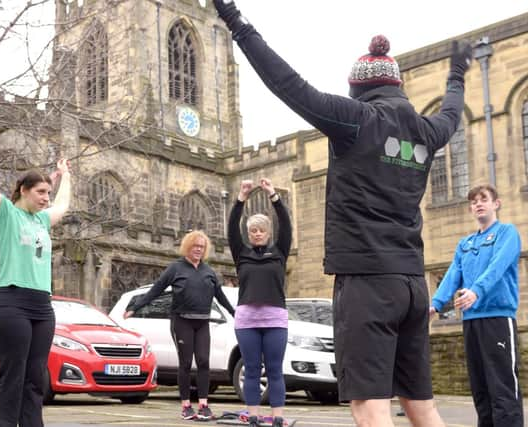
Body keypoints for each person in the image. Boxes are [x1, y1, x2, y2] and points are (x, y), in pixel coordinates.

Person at [213, 2, 473, 426]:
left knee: (370, 407)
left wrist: (237, 23)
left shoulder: (356, 120)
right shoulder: (425, 132)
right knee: (420, 404)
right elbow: (450, 113)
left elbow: (289, 85)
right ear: (398, 86)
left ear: (358, 89)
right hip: (411, 284)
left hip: (367, 285)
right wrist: (457, 73)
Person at [0, 100, 71, 427]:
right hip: (11, 303)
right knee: (12, 378)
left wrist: (65, 176)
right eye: (41, 192)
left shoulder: (42, 221)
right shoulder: (6, 213)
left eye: (48, 193)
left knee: (35, 380)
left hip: (41, 306)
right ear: (23, 190)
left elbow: (63, 205)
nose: (47, 198)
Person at [430, 185, 523, 427]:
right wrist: (435, 305)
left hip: (498, 320)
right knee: (481, 390)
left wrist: (476, 291)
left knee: (503, 388)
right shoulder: (466, 244)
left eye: (483, 199)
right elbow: (452, 275)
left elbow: (498, 266)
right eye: (473, 201)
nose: (478, 204)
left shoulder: (507, 233)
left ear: (496, 204)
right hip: (471, 322)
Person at [123, 230, 235, 421]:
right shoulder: (176, 268)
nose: (198, 249)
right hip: (181, 321)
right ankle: (185, 406)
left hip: (202, 322)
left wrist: (235, 314)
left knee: (203, 361)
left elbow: (220, 296)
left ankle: (203, 405)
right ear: (187, 247)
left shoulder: (209, 272)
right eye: (195, 246)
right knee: (185, 363)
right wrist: (136, 306)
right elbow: (157, 288)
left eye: (201, 247)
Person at [227, 178, 291, 427]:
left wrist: (273, 195)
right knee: (251, 369)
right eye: (253, 230)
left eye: (261, 230)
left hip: (275, 319)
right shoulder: (241, 254)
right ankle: (252, 415)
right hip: (247, 321)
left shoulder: (280, 252)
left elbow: (286, 224)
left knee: (274, 369)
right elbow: (232, 227)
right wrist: (242, 196)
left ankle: (277, 417)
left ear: (268, 233)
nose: (256, 233)